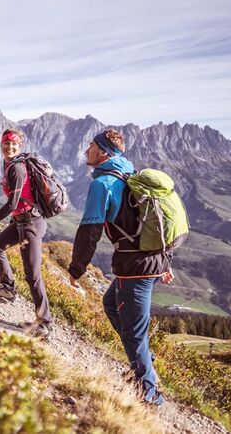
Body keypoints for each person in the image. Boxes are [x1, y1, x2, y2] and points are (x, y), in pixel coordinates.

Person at [67, 128, 173, 406]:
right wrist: (165, 261)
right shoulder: (132, 174)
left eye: (90, 146)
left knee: (134, 332)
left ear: (103, 151)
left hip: (134, 267)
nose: (86, 150)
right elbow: (158, 223)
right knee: (111, 303)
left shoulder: (103, 184)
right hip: (152, 260)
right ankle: (145, 361)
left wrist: (76, 269)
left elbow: (90, 230)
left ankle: (149, 393)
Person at [0, 128, 53, 337]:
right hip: (21, 222)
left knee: (32, 275)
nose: (9, 147)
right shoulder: (9, 164)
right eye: (6, 143)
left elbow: (12, 204)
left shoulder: (17, 168)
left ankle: (44, 323)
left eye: (13, 144)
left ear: (20, 146)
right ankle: (8, 289)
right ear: (1, 145)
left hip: (31, 225)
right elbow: (17, 205)